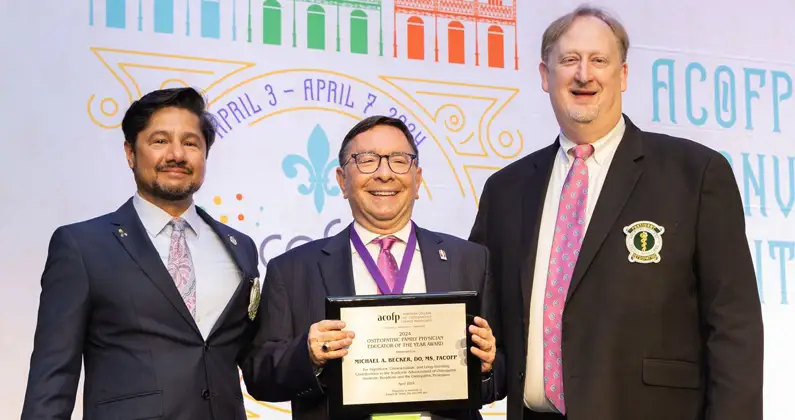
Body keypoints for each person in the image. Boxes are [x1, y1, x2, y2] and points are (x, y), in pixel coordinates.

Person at [468, 5, 763, 420]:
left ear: (622, 75)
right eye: (569, 60)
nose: (584, 74)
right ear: (543, 75)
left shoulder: (694, 174)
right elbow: (483, 326)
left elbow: (734, 328)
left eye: (599, 60)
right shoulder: (505, 190)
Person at [241, 115, 506, 420]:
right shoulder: (292, 270)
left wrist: (486, 368)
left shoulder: (470, 260)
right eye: (366, 160)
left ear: (417, 179)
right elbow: (258, 375)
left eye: (398, 160)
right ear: (342, 180)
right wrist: (308, 355)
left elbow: (501, 375)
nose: (384, 174)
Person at [21, 87, 262, 420]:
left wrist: (310, 354)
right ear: (130, 153)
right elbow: (52, 378)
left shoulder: (241, 247)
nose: (177, 154)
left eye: (191, 143)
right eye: (160, 141)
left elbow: (255, 360)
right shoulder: (82, 246)